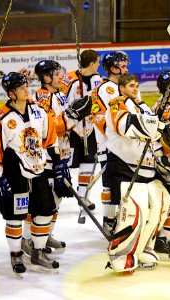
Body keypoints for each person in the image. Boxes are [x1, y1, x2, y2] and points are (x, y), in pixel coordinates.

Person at [0, 72, 66, 275]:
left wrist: (57, 164)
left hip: (39, 170)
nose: (26, 89)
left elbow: (50, 139)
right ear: (11, 93)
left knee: (45, 211)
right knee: (14, 216)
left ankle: (38, 252)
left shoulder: (39, 111)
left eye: (26, 85)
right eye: (21, 87)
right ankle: (15, 254)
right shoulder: (1, 118)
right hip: (15, 175)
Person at [105, 73, 170, 272]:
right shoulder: (117, 103)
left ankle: (141, 248)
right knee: (133, 213)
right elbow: (125, 126)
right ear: (121, 88)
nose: (135, 88)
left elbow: (153, 139)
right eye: (131, 86)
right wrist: (156, 126)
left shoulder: (143, 107)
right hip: (124, 166)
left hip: (145, 167)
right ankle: (120, 254)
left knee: (159, 207)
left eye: (136, 85)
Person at [29, 60, 87, 254]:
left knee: (57, 198)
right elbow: (53, 127)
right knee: (43, 201)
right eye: (56, 73)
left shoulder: (60, 94)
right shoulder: (43, 97)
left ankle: (45, 235)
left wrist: (79, 123)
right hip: (47, 155)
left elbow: (67, 123)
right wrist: (73, 116)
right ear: (46, 77)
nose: (62, 75)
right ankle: (30, 239)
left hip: (62, 151)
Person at [91, 51, 132, 235]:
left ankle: (120, 218)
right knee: (109, 184)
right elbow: (103, 118)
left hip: (121, 145)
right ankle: (108, 221)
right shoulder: (107, 88)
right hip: (110, 146)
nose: (126, 69)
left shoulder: (119, 87)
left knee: (122, 184)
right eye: (122, 66)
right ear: (114, 68)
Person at [60, 50, 102, 222]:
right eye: (97, 62)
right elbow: (60, 103)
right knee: (63, 167)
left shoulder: (97, 79)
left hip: (90, 129)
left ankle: (83, 196)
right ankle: (54, 198)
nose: (98, 65)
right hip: (71, 131)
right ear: (91, 63)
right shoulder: (69, 80)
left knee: (88, 164)